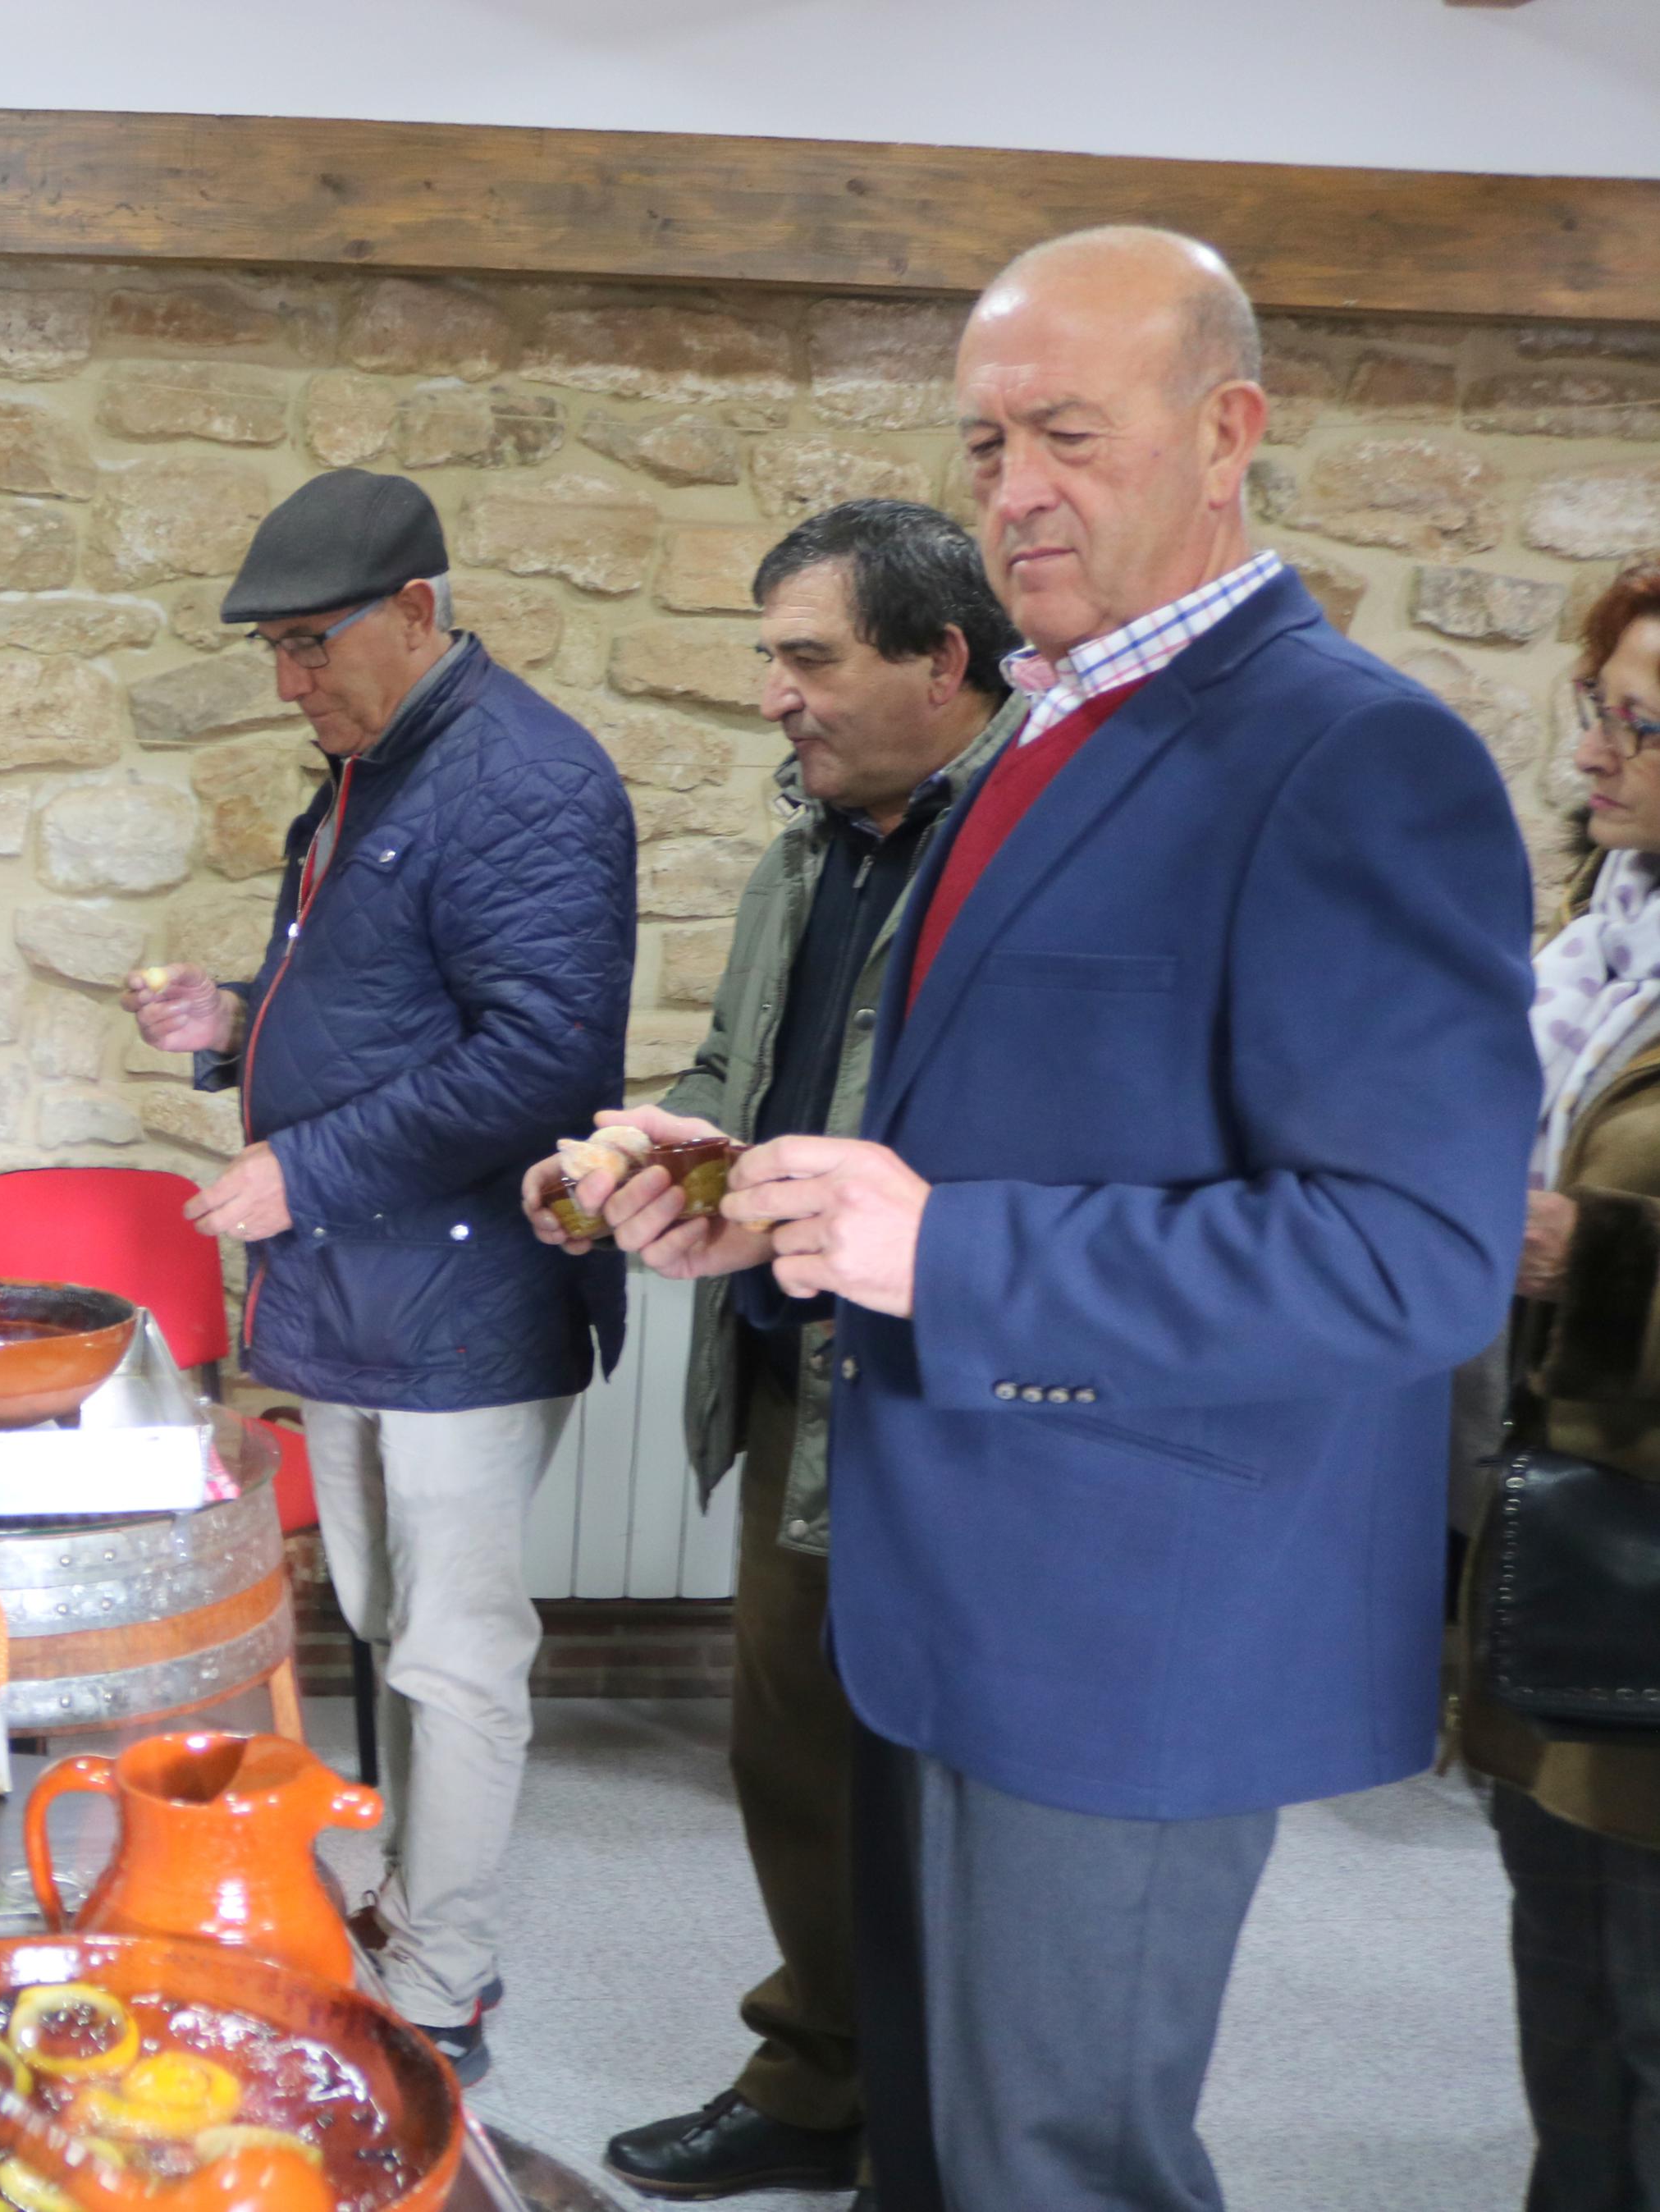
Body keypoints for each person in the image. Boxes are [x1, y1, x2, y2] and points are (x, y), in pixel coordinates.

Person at [584, 228, 1535, 2212]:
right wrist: (763, 1207)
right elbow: (992, 1129)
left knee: (1055, 2162)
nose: (1013, 486)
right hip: (951, 1589)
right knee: (934, 2152)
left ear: (1228, 433)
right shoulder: (1048, 726)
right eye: (987, 437)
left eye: (1070, 432)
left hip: (1137, 1617)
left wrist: (947, 1254)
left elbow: (1411, 1255)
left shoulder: (1352, 753)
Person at [122, 468, 634, 2084]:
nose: (290, 680)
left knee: (455, 1646)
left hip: (468, 1296)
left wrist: (306, 1165)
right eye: (272, 650)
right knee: (388, 1618)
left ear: (418, 607)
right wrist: (228, 1025)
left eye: (309, 644)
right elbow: (372, 1002)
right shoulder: (365, 767)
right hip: (357, 1288)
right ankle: (411, 1900)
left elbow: (543, 1052)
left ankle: (443, 1976)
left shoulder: (525, 780)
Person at [542, 500, 1019, 2210]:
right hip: (782, 1375)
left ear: (941, 660)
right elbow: (753, 1077)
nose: (773, 699)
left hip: (945, 1402)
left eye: (807, 658)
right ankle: (818, 2072)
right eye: (770, 657)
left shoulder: (1030, 850)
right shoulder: (805, 852)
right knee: (796, 1755)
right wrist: (639, 1158)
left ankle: (952, 2124)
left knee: (942, 1801)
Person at [1461, 558, 1660, 2212]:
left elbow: (1601, 1232)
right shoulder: (1605, 940)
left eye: (1638, 724)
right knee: (1568, 1978)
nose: (1593, 754)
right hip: (1578, 1555)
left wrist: (1591, 1256)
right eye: (1593, 710)